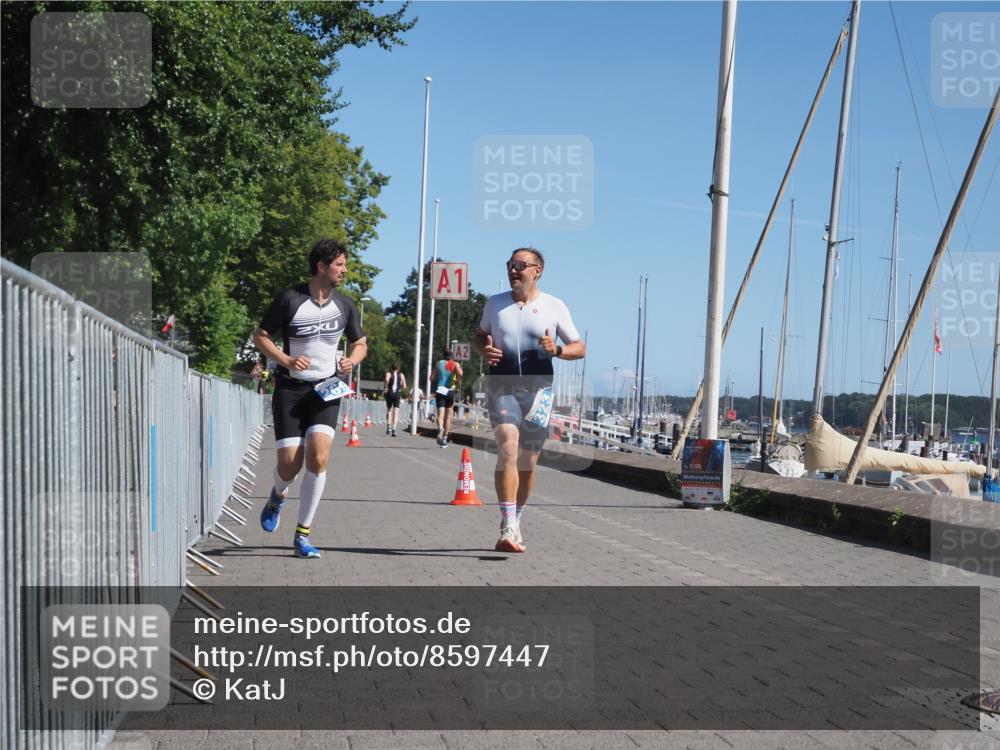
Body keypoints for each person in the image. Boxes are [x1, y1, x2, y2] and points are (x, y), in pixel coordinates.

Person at [252, 239, 367, 559]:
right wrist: (286, 360)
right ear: (322, 266)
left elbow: (361, 344)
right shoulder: (291, 299)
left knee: (318, 457)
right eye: (340, 264)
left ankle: (302, 535)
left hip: (326, 390)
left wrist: (352, 361)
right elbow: (260, 335)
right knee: (289, 466)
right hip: (290, 390)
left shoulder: (345, 305)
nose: (344, 270)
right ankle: (277, 496)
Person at [474, 247, 585, 553]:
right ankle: (507, 524)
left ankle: (517, 519)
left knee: (528, 463)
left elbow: (579, 347)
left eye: (521, 265)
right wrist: (485, 350)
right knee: (508, 446)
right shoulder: (494, 304)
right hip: (502, 386)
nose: (513, 269)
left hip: (539, 393)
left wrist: (558, 350)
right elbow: (479, 334)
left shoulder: (554, 306)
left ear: (537, 271)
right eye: (510, 264)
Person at [432, 349, 463, 447]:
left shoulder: (439, 363)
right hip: (450, 390)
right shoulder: (455, 364)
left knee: (440, 414)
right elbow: (461, 373)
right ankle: (445, 439)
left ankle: (440, 427)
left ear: (443, 355)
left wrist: (436, 379)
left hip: (440, 390)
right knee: (448, 416)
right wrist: (457, 379)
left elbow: (431, 377)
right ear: (452, 355)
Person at [383, 363, 406, 436]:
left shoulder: (388, 373)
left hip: (390, 392)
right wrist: (400, 385)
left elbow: (386, 380)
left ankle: (388, 426)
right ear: (398, 368)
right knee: (396, 411)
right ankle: (394, 428)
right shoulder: (401, 375)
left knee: (389, 410)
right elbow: (404, 386)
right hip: (397, 393)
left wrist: (386, 387)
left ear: (391, 368)